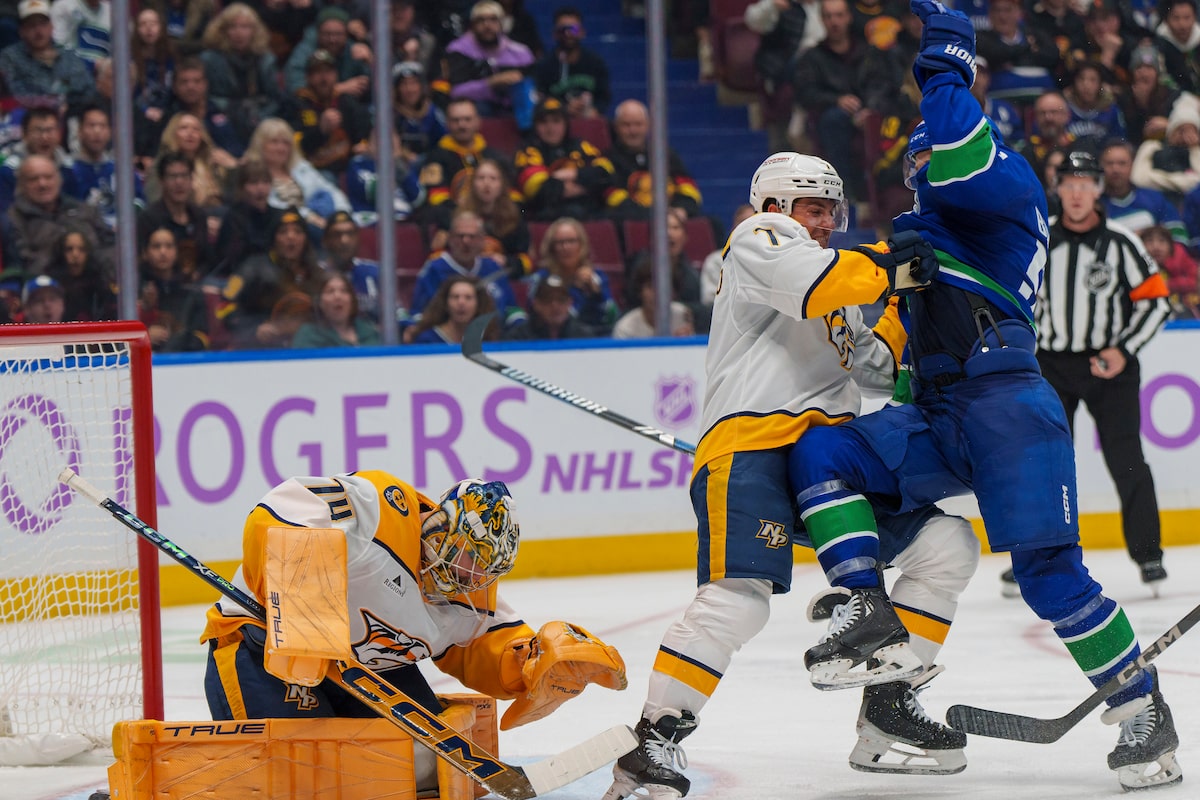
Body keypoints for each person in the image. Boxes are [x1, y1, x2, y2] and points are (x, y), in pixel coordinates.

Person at [785, 3, 1182, 792]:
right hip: (937, 411)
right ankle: (866, 607)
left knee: (1048, 575)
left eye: (930, 151)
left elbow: (961, 142)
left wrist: (945, 54)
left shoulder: (1005, 188)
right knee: (823, 449)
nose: (921, 166)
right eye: (915, 161)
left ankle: (1143, 708)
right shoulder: (926, 229)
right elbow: (888, 363)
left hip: (1007, 405)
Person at [603, 151, 976, 800]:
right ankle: (652, 741)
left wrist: (902, 304)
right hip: (753, 446)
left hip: (830, 461)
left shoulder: (833, 279)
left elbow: (874, 371)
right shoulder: (759, 239)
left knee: (948, 546)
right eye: (814, 207)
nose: (827, 220)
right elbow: (815, 281)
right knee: (738, 600)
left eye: (832, 208)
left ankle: (888, 705)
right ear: (775, 206)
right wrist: (888, 261)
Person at [201, 473, 625, 796]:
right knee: (295, 776)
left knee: (423, 768)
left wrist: (532, 667)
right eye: (463, 556)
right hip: (264, 647)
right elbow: (281, 508)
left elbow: (491, 648)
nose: (467, 576)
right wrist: (306, 605)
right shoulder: (383, 513)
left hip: (366, 670)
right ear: (440, 526)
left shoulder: (472, 595)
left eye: (482, 569)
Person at [1021, 151, 1172, 594]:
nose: (1077, 193)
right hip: (1051, 364)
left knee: (1127, 461)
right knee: (1044, 464)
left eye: (1086, 184)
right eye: (1070, 184)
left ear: (1099, 190)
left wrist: (1123, 350)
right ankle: (1036, 556)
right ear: (1058, 188)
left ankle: (1149, 553)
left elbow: (1156, 301)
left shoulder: (1123, 242)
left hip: (1111, 366)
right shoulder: (1039, 236)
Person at [219, 206, 325, 349]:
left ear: (305, 239)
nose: (291, 237)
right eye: (283, 232)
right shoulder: (252, 268)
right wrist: (253, 330)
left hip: (307, 346)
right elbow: (224, 305)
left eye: (298, 232)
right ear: (273, 238)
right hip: (261, 347)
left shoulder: (316, 272)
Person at [2, 153, 114, 280]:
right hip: (46, 289)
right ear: (21, 185)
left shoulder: (85, 210)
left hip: (96, 282)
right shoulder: (13, 219)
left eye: (48, 177)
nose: (42, 184)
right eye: (34, 179)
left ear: (59, 180)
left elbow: (110, 245)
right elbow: (24, 264)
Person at [407, 209, 521, 326]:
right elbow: (418, 314)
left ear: (482, 240)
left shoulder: (493, 267)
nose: (466, 241)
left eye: (472, 236)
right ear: (450, 238)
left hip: (493, 339)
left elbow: (511, 309)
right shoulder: (433, 270)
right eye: (460, 236)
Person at [242, 116, 352, 234]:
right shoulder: (253, 174)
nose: (281, 148)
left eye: (286, 143)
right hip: (282, 228)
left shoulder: (301, 167)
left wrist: (341, 214)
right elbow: (270, 207)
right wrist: (309, 217)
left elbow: (331, 190)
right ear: (260, 145)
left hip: (321, 222)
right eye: (274, 142)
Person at [514, 97, 614, 222]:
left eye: (556, 121)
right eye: (544, 122)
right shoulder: (528, 150)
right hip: (549, 215)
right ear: (535, 125)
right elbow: (541, 192)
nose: (550, 128)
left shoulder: (581, 145)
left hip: (588, 210)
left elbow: (605, 173)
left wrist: (569, 174)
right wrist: (585, 183)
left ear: (566, 124)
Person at [603, 99, 702, 220]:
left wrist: (682, 209)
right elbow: (612, 195)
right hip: (634, 221)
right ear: (616, 127)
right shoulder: (607, 159)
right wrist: (651, 215)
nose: (633, 131)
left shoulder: (665, 155)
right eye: (626, 125)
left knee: (712, 223)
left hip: (670, 218)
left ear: (648, 125)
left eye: (638, 124)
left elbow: (688, 188)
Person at [0, 0, 98, 118]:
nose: (38, 31)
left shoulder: (68, 57)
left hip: (69, 117)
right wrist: (54, 102)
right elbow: (16, 94)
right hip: (26, 121)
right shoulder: (10, 57)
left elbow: (88, 90)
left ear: (51, 26)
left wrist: (68, 103)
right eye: (31, 25)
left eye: (43, 24)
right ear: (22, 31)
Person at [288, 48, 371, 182]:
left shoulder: (346, 102)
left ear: (336, 75)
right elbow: (295, 148)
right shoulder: (296, 104)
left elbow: (363, 133)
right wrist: (321, 130)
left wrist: (363, 146)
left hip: (347, 169)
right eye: (317, 72)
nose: (324, 78)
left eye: (328, 72)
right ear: (307, 77)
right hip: (311, 171)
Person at [445, 0, 535, 125]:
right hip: (478, 110)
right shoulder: (459, 51)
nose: (487, 25)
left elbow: (534, 89)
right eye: (481, 20)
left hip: (515, 108)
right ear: (472, 25)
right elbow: (456, 92)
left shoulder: (520, 53)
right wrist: (491, 83)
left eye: (493, 20)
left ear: (502, 23)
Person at [137, 151, 217, 282]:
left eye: (184, 176)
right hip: (161, 285)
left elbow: (207, 259)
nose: (179, 182)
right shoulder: (149, 218)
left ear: (191, 180)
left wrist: (198, 274)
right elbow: (142, 263)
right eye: (172, 176)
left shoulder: (199, 215)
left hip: (196, 284)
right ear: (162, 181)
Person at [531, 215, 619, 334]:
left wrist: (595, 292)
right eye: (560, 242)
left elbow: (611, 315)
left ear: (581, 244)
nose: (566, 247)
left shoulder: (597, 276)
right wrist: (575, 289)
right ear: (552, 247)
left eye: (571, 241)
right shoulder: (541, 279)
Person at [137, 225, 209, 352]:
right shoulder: (133, 290)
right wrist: (144, 336)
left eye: (169, 246)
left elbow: (201, 337)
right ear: (145, 253)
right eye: (156, 246)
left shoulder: (191, 292)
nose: (163, 252)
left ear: (176, 252)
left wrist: (179, 340)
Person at [1101, 138, 1187, 243]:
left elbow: (1179, 238)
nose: (1115, 169)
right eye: (1109, 163)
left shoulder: (1154, 198)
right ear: (1101, 166)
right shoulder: (1095, 205)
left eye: (1122, 163)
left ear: (1132, 165)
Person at [531, 6, 612, 119]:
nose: (568, 34)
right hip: (555, 122)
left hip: (588, 121)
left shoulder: (596, 63)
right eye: (563, 30)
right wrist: (564, 109)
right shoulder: (544, 66)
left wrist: (594, 110)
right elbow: (540, 98)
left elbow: (604, 97)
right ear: (555, 34)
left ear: (582, 32)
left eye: (573, 29)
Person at [291, 271, 381, 348]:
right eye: (330, 291)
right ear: (319, 302)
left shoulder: (369, 331)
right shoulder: (308, 335)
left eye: (344, 291)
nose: (338, 296)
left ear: (352, 300)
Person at [318, 210, 381, 322]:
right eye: (337, 235)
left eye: (350, 234)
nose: (344, 241)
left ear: (358, 238)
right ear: (325, 241)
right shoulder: (315, 273)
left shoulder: (374, 272)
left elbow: (398, 312)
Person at [45, 225, 115, 321]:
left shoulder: (99, 286)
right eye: (69, 249)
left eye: (81, 250)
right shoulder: (50, 286)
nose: (75, 255)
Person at [406, 273, 498, 345]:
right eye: (455, 297)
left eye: (468, 297)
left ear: (479, 304)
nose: (461, 303)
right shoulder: (427, 340)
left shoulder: (487, 338)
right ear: (445, 303)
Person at [504, 273, 596, 340]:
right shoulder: (518, 337)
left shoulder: (583, 336)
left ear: (570, 303)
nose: (555, 306)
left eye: (561, 300)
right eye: (547, 300)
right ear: (536, 304)